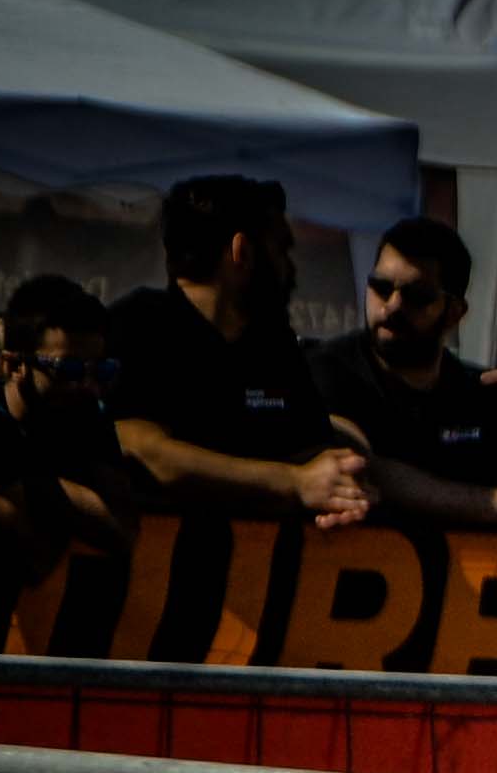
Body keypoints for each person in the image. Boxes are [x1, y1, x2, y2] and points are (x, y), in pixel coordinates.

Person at [101, 175, 367, 528]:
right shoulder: (140, 325)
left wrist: (346, 482)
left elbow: (310, 447)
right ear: (241, 251)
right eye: (282, 250)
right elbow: (145, 450)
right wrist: (294, 482)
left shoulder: (272, 345)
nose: (291, 269)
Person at [303, 218, 497, 531]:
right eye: (381, 288)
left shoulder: (481, 393)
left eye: (416, 296)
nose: (393, 306)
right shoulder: (328, 370)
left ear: (454, 312)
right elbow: (358, 466)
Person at [0, 275, 129, 587]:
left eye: (101, 370)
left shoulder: (90, 417)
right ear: (13, 366)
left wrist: (26, 482)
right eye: (68, 370)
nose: (87, 386)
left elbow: (121, 529)